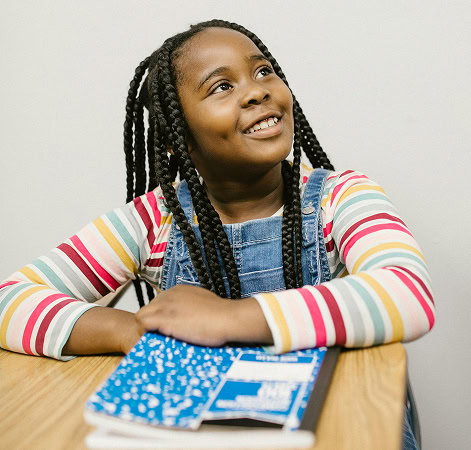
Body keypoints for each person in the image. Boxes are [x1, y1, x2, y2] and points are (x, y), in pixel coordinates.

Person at [0, 19, 432, 448]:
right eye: (221, 87)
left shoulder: (340, 197)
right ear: (177, 139)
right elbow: (10, 300)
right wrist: (135, 330)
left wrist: (229, 319)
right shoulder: (155, 221)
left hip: (343, 422)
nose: (258, 89)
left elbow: (406, 294)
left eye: (263, 71)